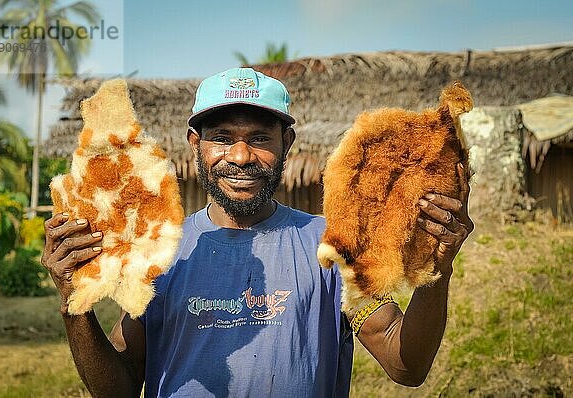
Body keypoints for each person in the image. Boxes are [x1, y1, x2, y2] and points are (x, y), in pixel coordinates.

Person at [42, 68, 474, 397]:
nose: (242, 156)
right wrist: (73, 305)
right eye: (222, 138)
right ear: (196, 144)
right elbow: (116, 388)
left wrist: (436, 273)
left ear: (287, 142)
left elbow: (406, 365)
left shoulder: (332, 247)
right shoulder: (164, 252)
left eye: (260, 138)